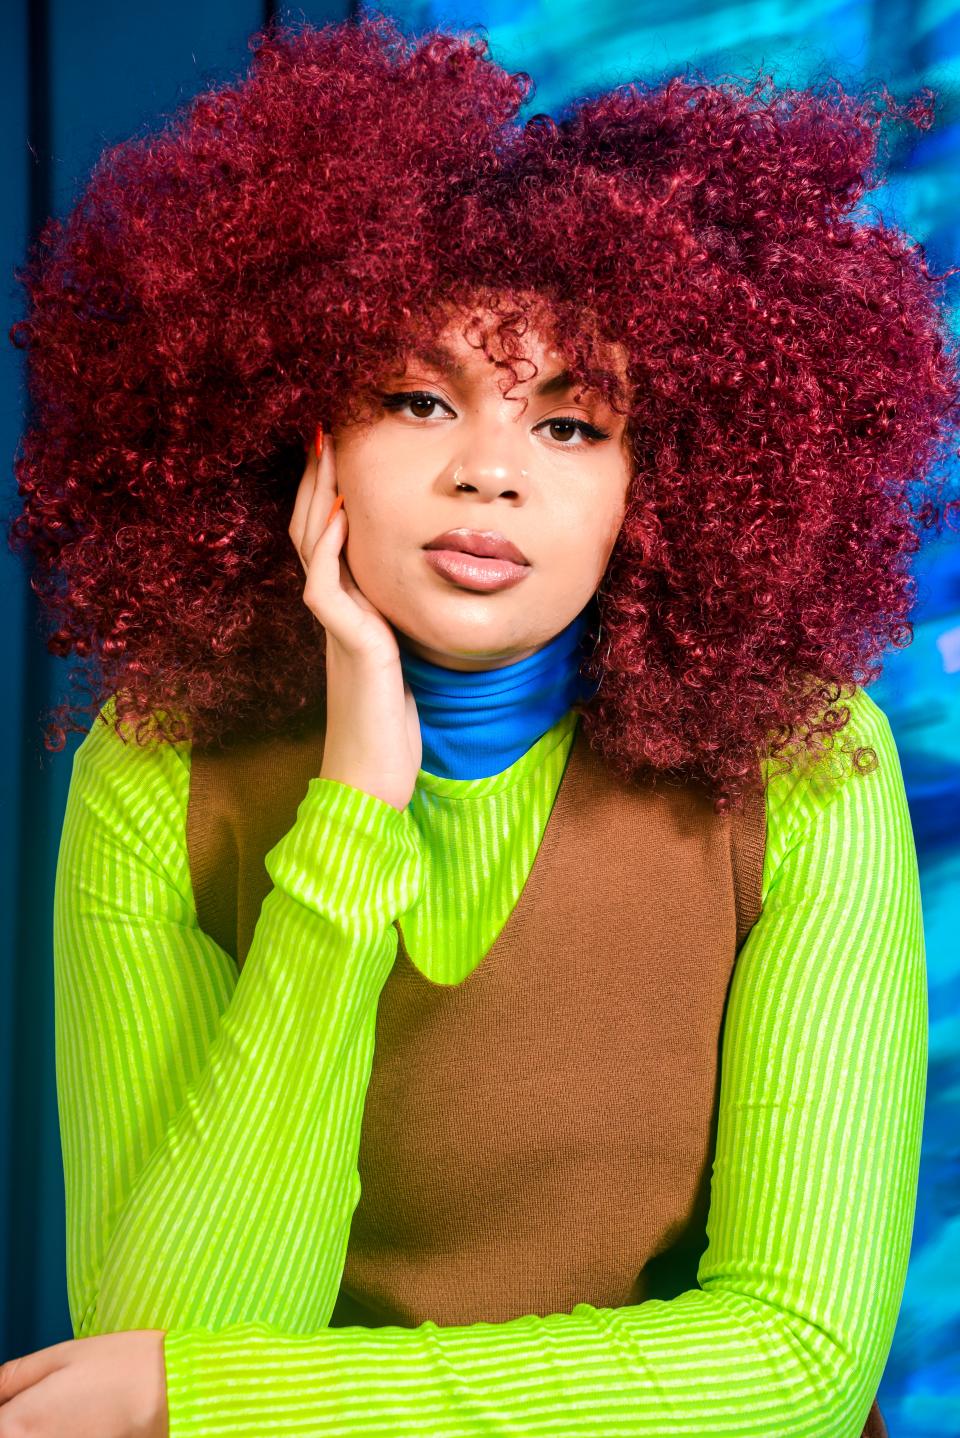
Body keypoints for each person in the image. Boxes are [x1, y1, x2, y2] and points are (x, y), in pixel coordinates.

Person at [5, 12, 958, 1438]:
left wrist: (212, 1395)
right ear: (302, 431)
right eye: (418, 397)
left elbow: (795, 1366)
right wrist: (351, 817)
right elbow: (173, 1326)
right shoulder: (157, 765)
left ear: (661, 476)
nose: (491, 474)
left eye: (570, 424)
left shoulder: (806, 761)